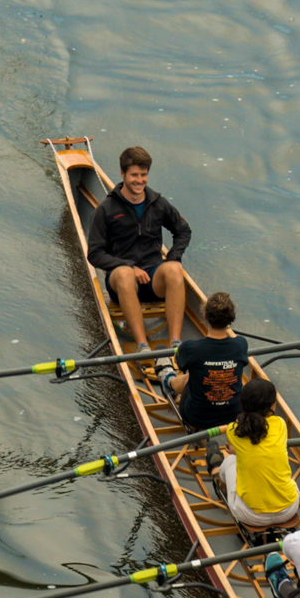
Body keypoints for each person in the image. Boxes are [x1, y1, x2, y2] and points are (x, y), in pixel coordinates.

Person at [85, 146, 191, 364]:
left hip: (153, 278)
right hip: (122, 282)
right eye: (134, 175)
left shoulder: (158, 204)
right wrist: (128, 266)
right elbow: (94, 254)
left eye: (143, 175)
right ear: (123, 174)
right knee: (124, 274)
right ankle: (143, 347)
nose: (140, 180)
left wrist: (173, 256)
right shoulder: (105, 209)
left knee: (174, 269)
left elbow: (183, 230)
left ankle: (175, 344)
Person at [218, 376, 300, 537]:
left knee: (230, 460)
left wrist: (236, 452)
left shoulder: (232, 430)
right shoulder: (280, 424)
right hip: (289, 509)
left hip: (251, 515)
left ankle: (221, 488)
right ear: (272, 405)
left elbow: (247, 443)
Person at [170, 290, 249, 438]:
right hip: (233, 417)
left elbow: (178, 362)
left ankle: (167, 381)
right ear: (230, 319)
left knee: (190, 376)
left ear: (205, 316)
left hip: (197, 418)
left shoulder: (190, 348)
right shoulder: (241, 344)